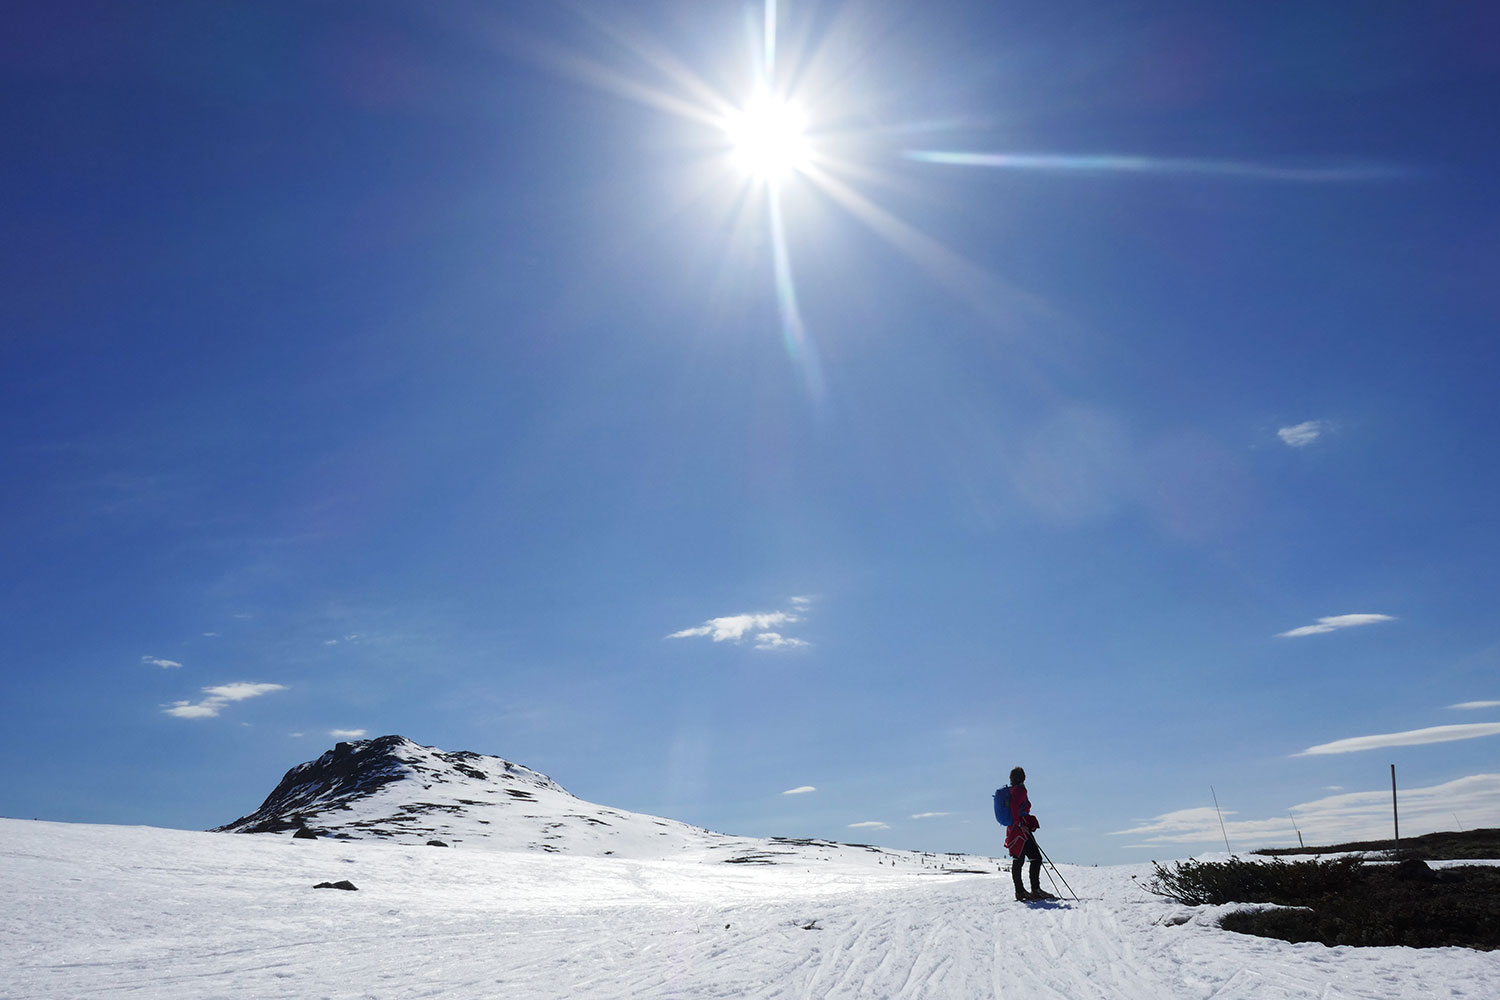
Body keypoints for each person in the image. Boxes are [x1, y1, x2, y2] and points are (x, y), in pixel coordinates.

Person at [1005, 766, 1053, 901]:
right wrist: (1020, 824)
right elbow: (1015, 807)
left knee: (1018, 860)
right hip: (1021, 829)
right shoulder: (1020, 790)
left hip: (1013, 830)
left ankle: (1020, 891)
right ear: (1023, 778)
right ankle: (1034, 890)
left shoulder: (1011, 790)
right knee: (1035, 858)